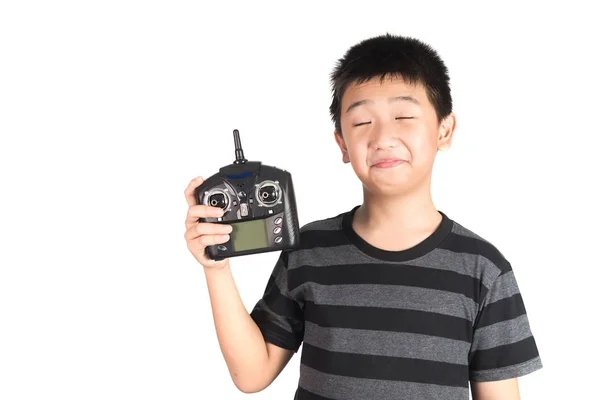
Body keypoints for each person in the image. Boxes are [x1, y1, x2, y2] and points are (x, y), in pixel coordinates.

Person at [183, 33, 543, 400]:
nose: (383, 137)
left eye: (404, 116)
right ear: (342, 143)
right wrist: (217, 269)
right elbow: (252, 374)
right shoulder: (308, 250)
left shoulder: (485, 271)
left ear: (444, 130)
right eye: (361, 123)